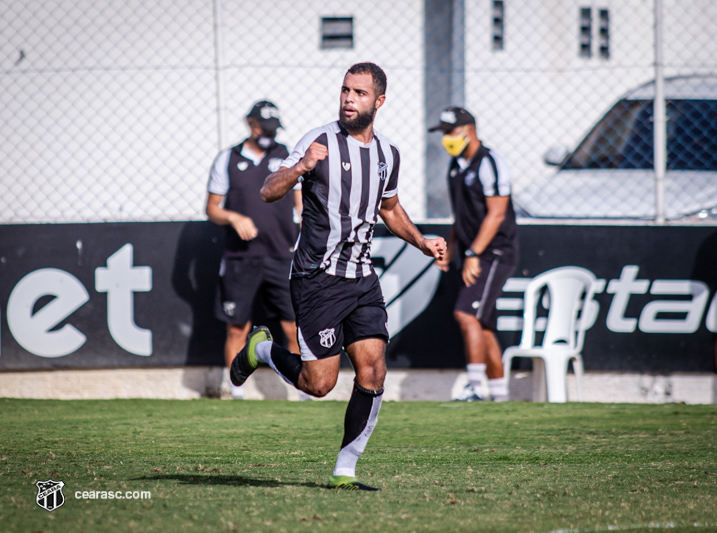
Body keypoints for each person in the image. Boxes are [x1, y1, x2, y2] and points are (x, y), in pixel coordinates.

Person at [230, 62, 446, 490]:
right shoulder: (318, 140)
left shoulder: (388, 154)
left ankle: (345, 469)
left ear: (379, 101)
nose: (349, 98)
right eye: (346, 90)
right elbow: (269, 189)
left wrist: (421, 241)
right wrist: (301, 167)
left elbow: (389, 208)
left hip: (363, 278)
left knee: (373, 371)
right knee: (319, 383)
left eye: (360, 93)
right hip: (317, 278)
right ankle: (265, 350)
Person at [206, 100, 301, 399]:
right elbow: (212, 208)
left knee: (294, 325)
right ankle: (237, 392)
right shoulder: (228, 158)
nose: (267, 135)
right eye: (263, 128)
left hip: (282, 255)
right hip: (240, 258)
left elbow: (300, 201)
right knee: (237, 327)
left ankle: (305, 389)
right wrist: (234, 217)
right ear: (250, 124)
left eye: (273, 130)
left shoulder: (286, 155)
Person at [429, 107, 519, 402]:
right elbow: (461, 216)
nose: (446, 139)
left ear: (468, 130)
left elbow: (496, 215)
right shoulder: (457, 165)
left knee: (465, 314)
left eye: (450, 132)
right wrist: (452, 247)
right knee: (483, 324)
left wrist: (473, 253)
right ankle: (500, 395)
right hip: (473, 251)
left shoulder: (491, 163)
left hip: (494, 252)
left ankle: (475, 387)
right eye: (443, 133)